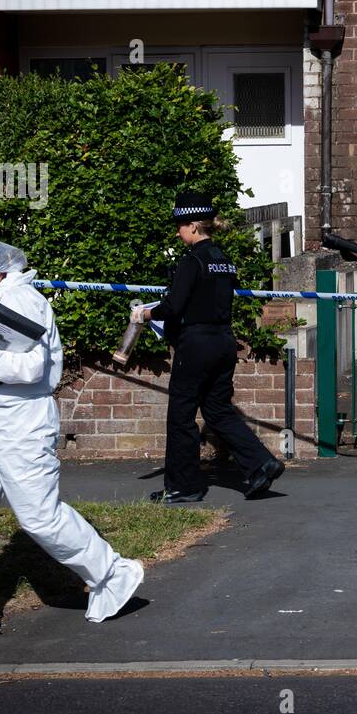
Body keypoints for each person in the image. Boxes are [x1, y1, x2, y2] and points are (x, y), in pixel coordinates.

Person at [0, 236, 144, 639]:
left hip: (18, 425)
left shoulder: (22, 301)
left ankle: (112, 573)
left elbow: (30, 369)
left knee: (40, 517)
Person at [132, 192, 284, 504]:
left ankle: (184, 486)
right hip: (224, 342)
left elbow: (173, 307)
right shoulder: (223, 262)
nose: (178, 232)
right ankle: (260, 463)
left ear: (193, 226)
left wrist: (146, 314)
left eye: (181, 226)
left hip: (196, 345)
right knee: (217, 410)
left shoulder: (193, 261)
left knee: (181, 416)